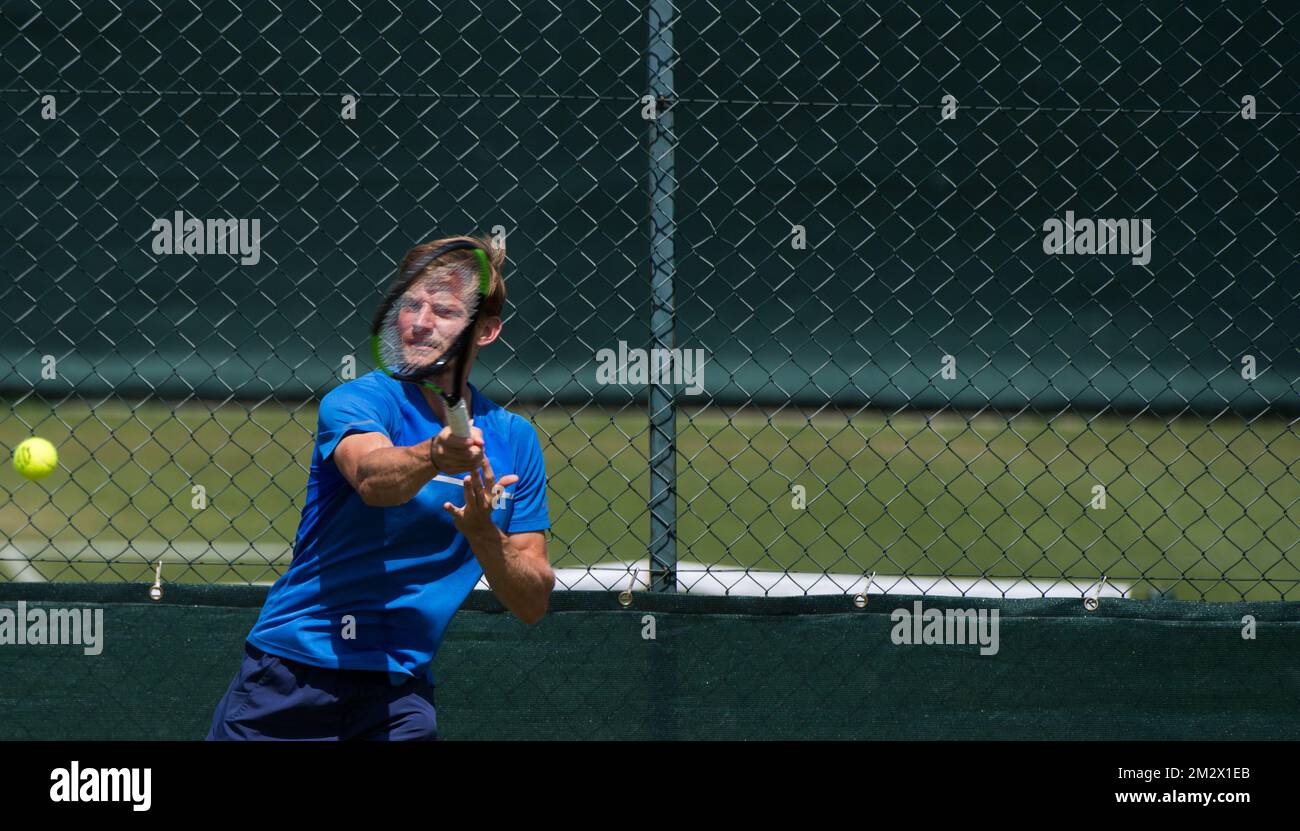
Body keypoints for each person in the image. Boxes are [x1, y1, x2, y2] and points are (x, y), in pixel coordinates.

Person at [207, 234, 554, 740]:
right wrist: (434, 455)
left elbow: (532, 602)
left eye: (443, 310)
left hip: (399, 695)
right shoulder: (357, 401)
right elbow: (372, 479)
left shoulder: (515, 440)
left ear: (486, 330)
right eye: (410, 304)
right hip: (291, 677)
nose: (418, 322)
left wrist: (484, 534)